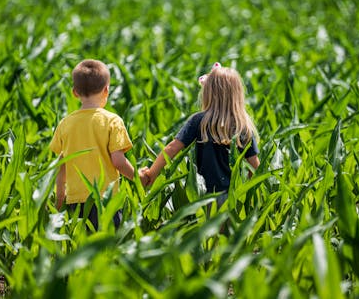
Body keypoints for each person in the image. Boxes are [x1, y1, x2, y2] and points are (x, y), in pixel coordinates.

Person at [141, 63, 260, 209]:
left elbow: (172, 148)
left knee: (206, 230)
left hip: (203, 195)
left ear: (209, 93)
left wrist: (150, 174)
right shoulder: (242, 126)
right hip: (232, 197)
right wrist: (250, 196)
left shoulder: (199, 121)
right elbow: (254, 166)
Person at [50, 59, 147, 231]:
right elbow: (118, 161)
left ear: (74, 92)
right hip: (106, 199)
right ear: (106, 90)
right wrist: (138, 178)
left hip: (75, 202)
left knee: (81, 250)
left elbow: (61, 166)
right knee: (108, 248)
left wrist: (59, 201)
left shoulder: (65, 124)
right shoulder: (112, 121)